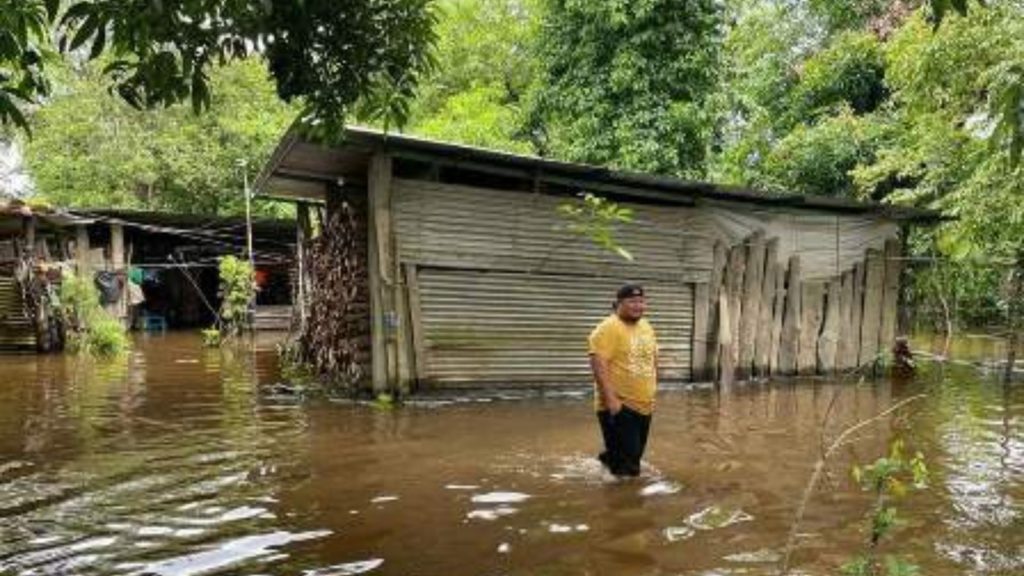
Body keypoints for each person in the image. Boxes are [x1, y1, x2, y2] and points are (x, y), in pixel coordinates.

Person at [588, 283, 659, 477]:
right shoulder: (608, 328)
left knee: (634, 456)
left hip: (644, 404)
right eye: (632, 301)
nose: (638, 305)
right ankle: (622, 502)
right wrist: (612, 402)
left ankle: (608, 459)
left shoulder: (646, 326)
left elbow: (652, 359)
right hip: (620, 404)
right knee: (628, 470)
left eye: (641, 301)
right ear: (618, 304)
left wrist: (653, 390)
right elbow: (598, 363)